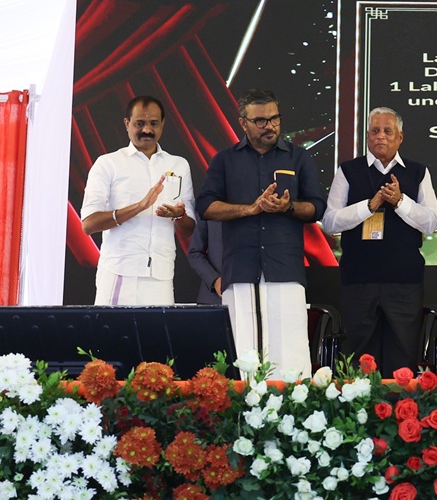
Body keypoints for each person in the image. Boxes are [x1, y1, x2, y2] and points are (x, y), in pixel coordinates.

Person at [196, 89, 327, 378]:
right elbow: (205, 206)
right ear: (243, 123)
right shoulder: (225, 160)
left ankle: (294, 416)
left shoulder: (298, 157)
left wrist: (288, 206)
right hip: (241, 268)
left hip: (285, 266)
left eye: (275, 119)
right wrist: (249, 209)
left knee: (290, 352)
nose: (270, 126)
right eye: (261, 121)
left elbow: (318, 208)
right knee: (243, 354)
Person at [322, 107, 437, 376]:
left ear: (400, 137)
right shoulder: (348, 171)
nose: (380, 137)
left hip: (404, 281)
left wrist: (399, 201)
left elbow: (432, 223)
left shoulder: (417, 172)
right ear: (367, 136)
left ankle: (401, 415)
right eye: (375, 131)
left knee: (404, 354)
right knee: (360, 357)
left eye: (388, 131)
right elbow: (330, 222)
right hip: (359, 280)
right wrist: (369, 205)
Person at [80, 95, 196, 305]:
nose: (147, 130)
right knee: (111, 337)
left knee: (156, 337)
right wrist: (140, 206)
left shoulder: (179, 165)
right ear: (127, 124)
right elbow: (89, 224)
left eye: (153, 124)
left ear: (162, 124)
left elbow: (189, 228)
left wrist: (179, 215)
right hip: (119, 272)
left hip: (161, 274)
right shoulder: (108, 164)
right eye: (139, 124)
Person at [187, 220, 223, 305]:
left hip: (252, 296)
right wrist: (214, 280)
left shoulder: (255, 209)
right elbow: (195, 253)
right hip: (213, 299)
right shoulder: (208, 210)